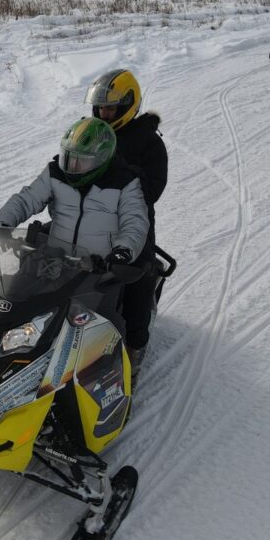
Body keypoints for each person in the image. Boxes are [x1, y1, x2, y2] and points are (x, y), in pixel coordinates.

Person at [0, 117, 150, 371]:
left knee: (96, 329)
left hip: (98, 268)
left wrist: (122, 251)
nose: (72, 166)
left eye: (81, 160)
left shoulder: (125, 183)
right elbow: (27, 199)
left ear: (102, 159)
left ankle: (125, 361)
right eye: (69, 158)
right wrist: (2, 224)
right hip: (55, 258)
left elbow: (135, 222)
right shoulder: (56, 173)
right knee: (20, 302)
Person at [84, 69, 167, 364]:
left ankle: (135, 345)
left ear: (126, 106)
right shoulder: (90, 133)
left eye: (110, 107)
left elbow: (153, 190)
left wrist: (121, 174)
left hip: (131, 221)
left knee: (137, 277)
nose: (104, 113)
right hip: (86, 213)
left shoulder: (149, 142)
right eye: (100, 107)